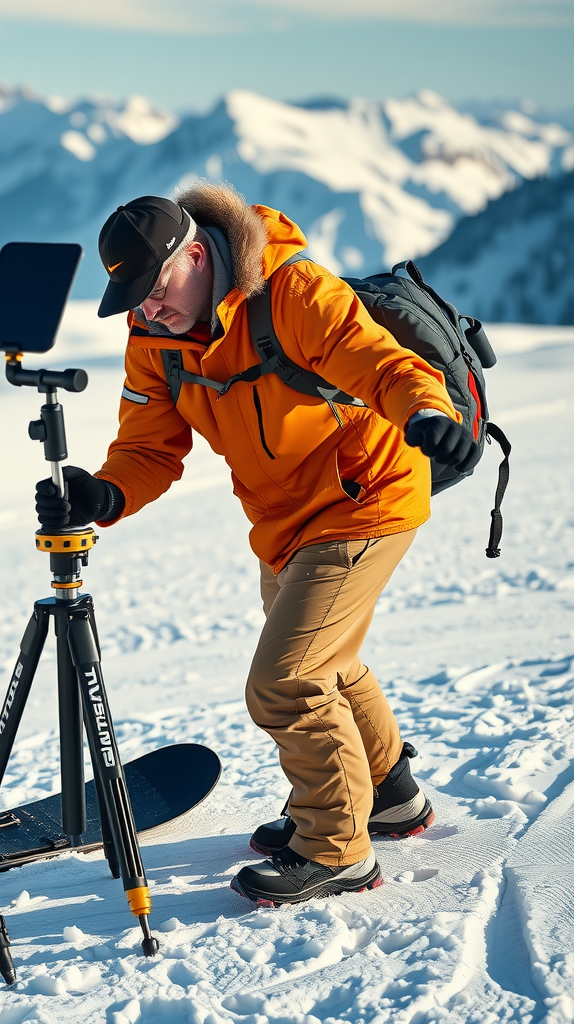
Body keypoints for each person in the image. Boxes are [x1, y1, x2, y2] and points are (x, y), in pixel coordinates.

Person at [35, 184, 474, 905]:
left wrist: (426, 411)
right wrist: (105, 494)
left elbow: (382, 364)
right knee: (327, 659)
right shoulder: (156, 336)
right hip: (283, 520)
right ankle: (390, 795)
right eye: (134, 300)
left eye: (155, 290)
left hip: (364, 499)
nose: (148, 310)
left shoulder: (291, 291)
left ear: (199, 255)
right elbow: (149, 447)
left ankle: (336, 849)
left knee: (288, 678)